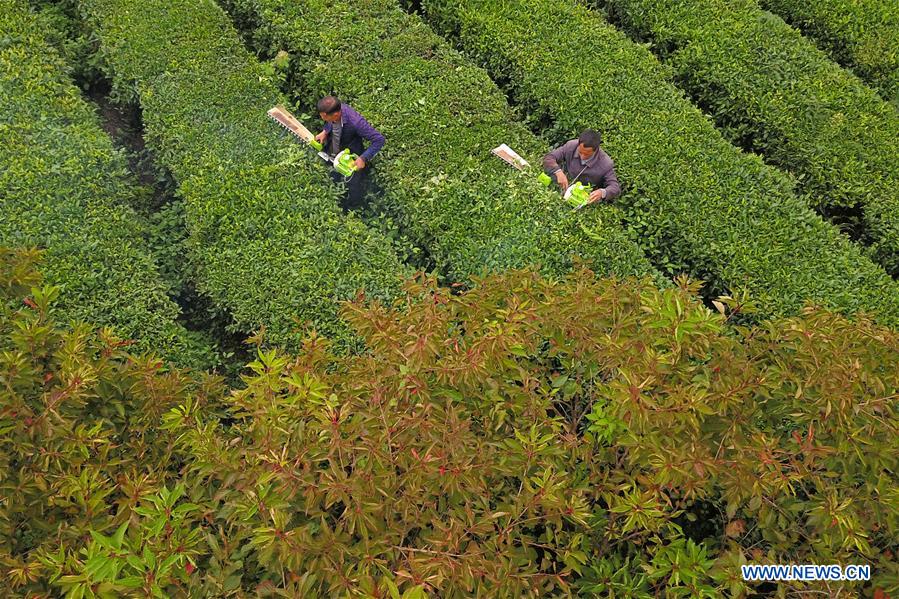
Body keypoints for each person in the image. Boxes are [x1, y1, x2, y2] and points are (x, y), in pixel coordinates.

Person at [314, 95, 385, 211]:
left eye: (325, 117)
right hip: (336, 147)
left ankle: (354, 209)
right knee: (332, 174)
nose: (323, 119)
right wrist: (325, 131)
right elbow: (329, 122)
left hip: (350, 155)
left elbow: (379, 140)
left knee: (354, 185)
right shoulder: (334, 111)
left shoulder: (356, 123)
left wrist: (363, 158)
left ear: (336, 114)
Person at [542, 129, 620, 204]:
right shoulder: (571, 146)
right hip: (562, 187)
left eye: (586, 154)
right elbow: (549, 157)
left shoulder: (605, 163)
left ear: (596, 150)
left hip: (581, 198)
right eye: (580, 152)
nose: (582, 156)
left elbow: (615, 188)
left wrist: (602, 192)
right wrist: (558, 172)